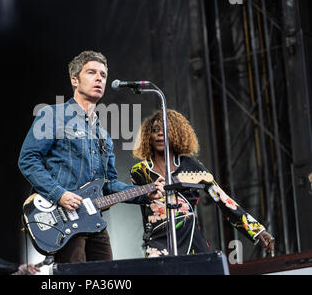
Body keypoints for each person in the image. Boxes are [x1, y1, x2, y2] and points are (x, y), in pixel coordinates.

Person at [18, 50, 164, 263]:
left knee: (108, 275)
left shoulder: (103, 136)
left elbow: (110, 184)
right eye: (91, 73)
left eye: (103, 75)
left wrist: (146, 192)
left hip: (93, 219)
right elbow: (28, 160)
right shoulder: (52, 115)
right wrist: (59, 194)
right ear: (74, 80)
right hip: (61, 218)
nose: (99, 79)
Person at [130, 109, 275, 257]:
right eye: (155, 130)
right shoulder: (139, 171)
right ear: (149, 135)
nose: (160, 134)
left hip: (191, 235)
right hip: (159, 240)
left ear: (177, 134)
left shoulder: (192, 165)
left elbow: (223, 200)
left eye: (166, 129)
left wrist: (257, 231)